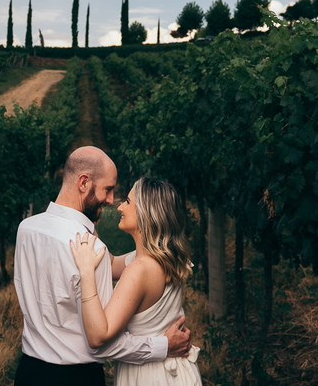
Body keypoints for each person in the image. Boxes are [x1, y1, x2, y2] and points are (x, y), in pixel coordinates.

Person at [13, 147, 191, 386]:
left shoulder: (26, 229)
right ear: (83, 183)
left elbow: (122, 262)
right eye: (108, 190)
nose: (111, 201)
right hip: (76, 378)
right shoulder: (91, 250)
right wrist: (163, 345)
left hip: (28, 372)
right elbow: (101, 342)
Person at [71, 177, 201, 386]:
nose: (121, 206)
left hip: (149, 375)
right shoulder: (163, 257)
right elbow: (111, 263)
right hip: (175, 371)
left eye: (129, 202)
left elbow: (98, 335)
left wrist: (86, 272)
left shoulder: (139, 270)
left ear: (147, 214)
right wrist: (85, 219)